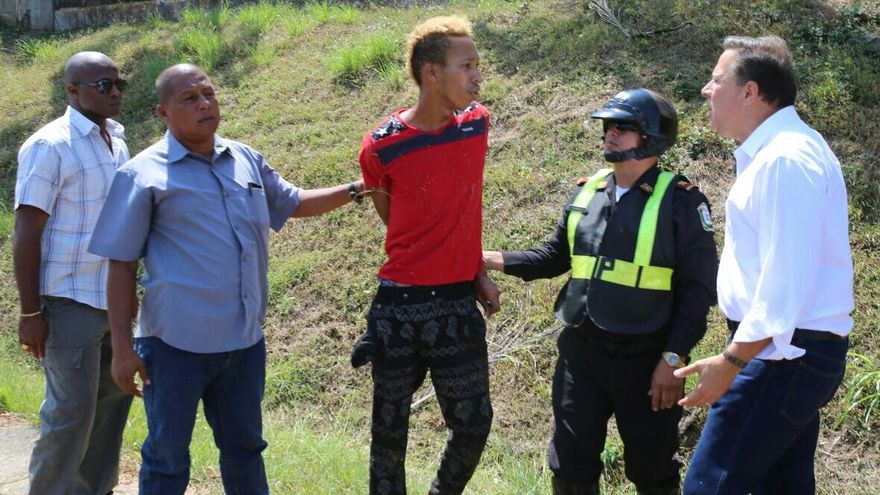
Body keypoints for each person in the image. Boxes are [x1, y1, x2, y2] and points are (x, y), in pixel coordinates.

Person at [86, 63, 365, 495]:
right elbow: (121, 265)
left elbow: (292, 203)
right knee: (167, 458)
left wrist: (359, 187)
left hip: (243, 345)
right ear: (164, 113)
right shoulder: (143, 175)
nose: (205, 104)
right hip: (173, 348)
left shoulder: (244, 159)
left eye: (209, 94)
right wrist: (122, 349)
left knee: (245, 451)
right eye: (190, 98)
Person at [483, 88, 718, 495]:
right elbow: (554, 257)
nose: (611, 132)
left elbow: (698, 292)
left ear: (651, 136)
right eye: (608, 125)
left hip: (648, 360)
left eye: (623, 127)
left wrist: (673, 357)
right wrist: (487, 259)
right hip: (582, 352)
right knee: (569, 466)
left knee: (652, 471)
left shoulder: (682, 202)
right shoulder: (587, 191)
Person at [675, 35, 854, 495]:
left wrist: (733, 360)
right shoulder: (781, 152)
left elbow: (786, 281)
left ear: (750, 92)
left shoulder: (785, 159)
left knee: (709, 488)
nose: (706, 89)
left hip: (782, 356)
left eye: (716, 80)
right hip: (784, 351)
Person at [356, 15, 501, 495]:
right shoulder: (381, 145)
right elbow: (395, 218)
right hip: (398, 306)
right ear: (432, 72)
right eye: (467, 66)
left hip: (456, 303)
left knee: (474, 423)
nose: (477, 76)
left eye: (477, 65)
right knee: (389, 433)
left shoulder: (476, 124)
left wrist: (475, 271)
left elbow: (461, 210)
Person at [13, 51, 133, 495]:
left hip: (111, 301)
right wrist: (31, 313)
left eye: (119, 84)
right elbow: (26, 231)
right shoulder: (51, 145)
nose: (115, 92)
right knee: (70, 415)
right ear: (72, 91)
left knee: (111, 407)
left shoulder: (116, 139)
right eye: (104, 85)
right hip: (68, 302)